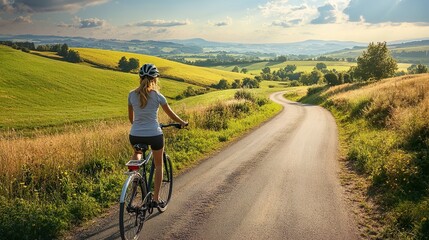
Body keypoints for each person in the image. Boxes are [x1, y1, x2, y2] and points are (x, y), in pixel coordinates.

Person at [128, 63, 187, 207]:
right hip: (154, 135)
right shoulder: (158, 97)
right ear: (155, 79)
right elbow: (171, 115)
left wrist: (139, 125)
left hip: (135, 134)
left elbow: (131, 119)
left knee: (138, 152)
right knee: (159, 164)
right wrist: (183, 122)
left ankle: (135, 174)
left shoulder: (131, 95)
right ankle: (155, 199)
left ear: (140, 78)